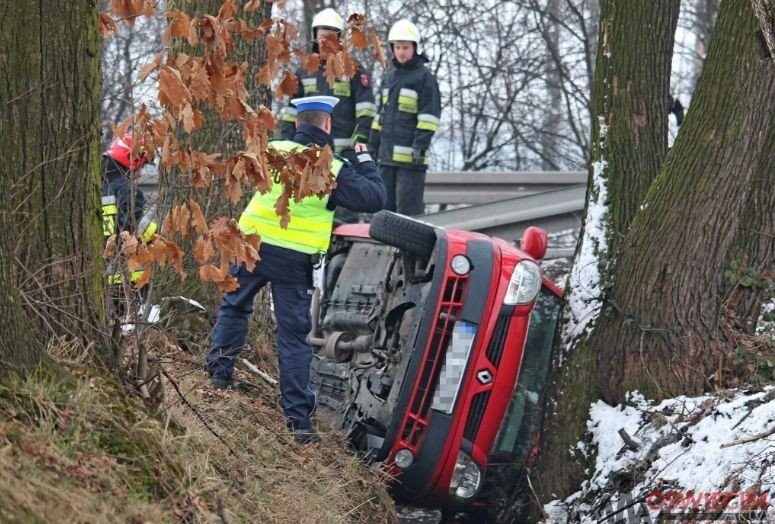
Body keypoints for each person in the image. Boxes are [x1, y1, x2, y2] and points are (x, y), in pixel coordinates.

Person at [206, 95, 386, 444]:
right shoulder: (332, 168)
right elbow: (375, 198)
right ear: (327, 125)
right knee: (292, 336)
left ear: (298, 123)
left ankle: (219, 375)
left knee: (235, 306)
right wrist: (364, 160)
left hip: (252, 245)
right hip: (294, 260)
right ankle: (298, 422)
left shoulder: (271, 150)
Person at [277, 7, 377, 226]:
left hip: (343, 155)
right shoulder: (304, 71)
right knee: (311, 207)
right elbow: (291, 113)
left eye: (330, 36)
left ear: (339, 39)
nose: (325, 41)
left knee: (345, 215)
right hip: (309, 156)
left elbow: (366, 111)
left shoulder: (353, 70)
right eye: (321, 36)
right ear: (314, 37)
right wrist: (287, 143)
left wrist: (359, 143)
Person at [368, 19, 441, 217]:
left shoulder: (424, 78)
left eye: (406, 47)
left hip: (411, 162)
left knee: (409, 213)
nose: (401, 52)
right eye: (398, 47)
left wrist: (420, 146)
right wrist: (372, 145)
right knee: (384, 212)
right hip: (386, 159)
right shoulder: (389, 77)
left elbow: (429, 116)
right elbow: (381, 116)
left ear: (415, 48)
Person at [101, 133, 158, 318]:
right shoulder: (129, 192)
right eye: (142, 165)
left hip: (97, 276)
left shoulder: (96, 185)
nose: (140, 173)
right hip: (127, 279)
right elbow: (130, 231)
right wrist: (155, 233)